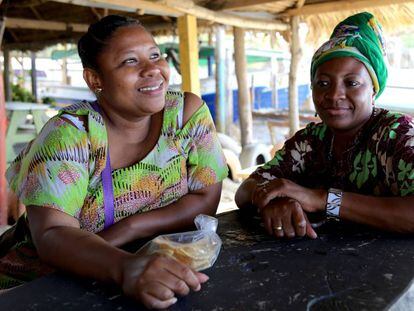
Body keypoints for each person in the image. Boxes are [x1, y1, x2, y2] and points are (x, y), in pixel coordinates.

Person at [0, 15, 228, 309]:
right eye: (130, 61)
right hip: (36, 287)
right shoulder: (70, 135)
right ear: (95, 80)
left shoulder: (185, 115)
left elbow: (206, 198)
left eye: (155, 55)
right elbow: (52, 235)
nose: (153, 70)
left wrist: (130, 228)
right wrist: (125, 267)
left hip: (143, 270)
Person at [235, 12, 414, 239]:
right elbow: (246, 189)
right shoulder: (310, 141)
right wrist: (276, 200)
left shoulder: (397, 134)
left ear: (373, 90)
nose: (334, 94)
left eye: (351, 83)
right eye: (323, 83)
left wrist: (322, 199)